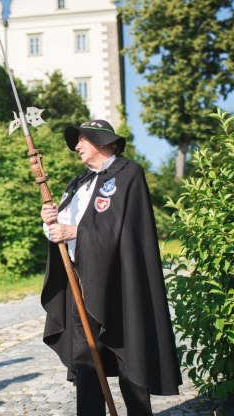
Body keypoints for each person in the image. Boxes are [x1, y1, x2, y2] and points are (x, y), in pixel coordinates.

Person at [40, 120, 182, 416]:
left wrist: (76, 231)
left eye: (82, 140)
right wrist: (49, 220)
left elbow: (124, 227)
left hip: (121, 282)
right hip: (81, 281)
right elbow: (60, 233)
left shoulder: (129, 173)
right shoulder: (76, 183)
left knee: (129, 351)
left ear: (101, 141)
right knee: (86, 358)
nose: (76, 146)